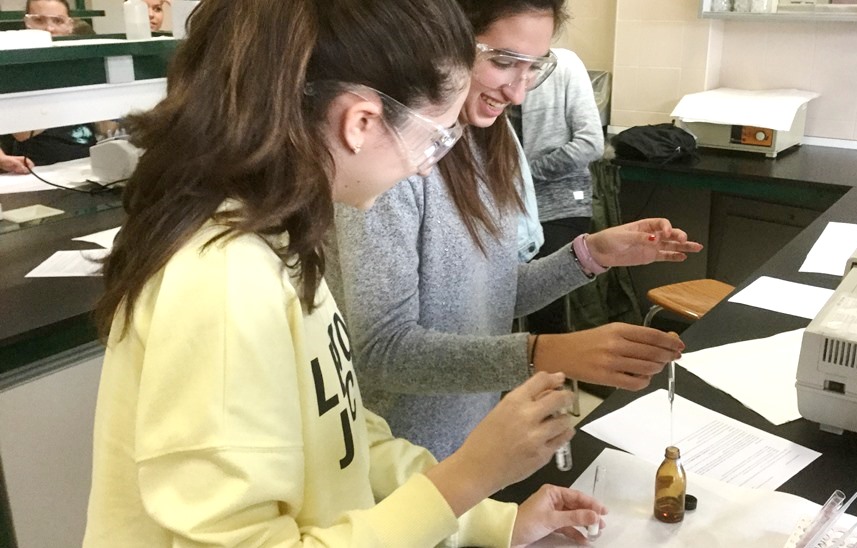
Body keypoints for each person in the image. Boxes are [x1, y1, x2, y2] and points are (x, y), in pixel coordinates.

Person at [84, 0, 606, 546]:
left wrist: (493, 520)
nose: (430, 162)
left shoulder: (282, 238)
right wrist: (470, 475)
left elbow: (346, 432)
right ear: (360, 122)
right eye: (436, 137)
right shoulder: (223, 281)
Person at [327, 0, 703, 460]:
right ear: (443, 45)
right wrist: (543, 352)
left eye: (533, 67)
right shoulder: (390, 162)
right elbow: (381, 351)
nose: (518, 93)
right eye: (503, 63)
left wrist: (592, 254)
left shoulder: (489, 141)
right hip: (399, 456)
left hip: (471, 438)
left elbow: (491, 295)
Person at [514, 47, 605, 335]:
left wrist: (525, 176)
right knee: (490, 298)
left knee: (545, 304)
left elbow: (591, 143)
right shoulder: (483, 69)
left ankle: (550, 375)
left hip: (558, 203)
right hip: (504, 203)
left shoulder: (564, 65)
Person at [0, 0, 96, 171]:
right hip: (38, 169)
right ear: (26, 23)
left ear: (69, 25)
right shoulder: (13, 68)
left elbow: (106, 125)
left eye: (58, 21)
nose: (49, 29)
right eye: (39, 20)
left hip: (88, 164)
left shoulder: (82, 63)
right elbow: (21, 133)